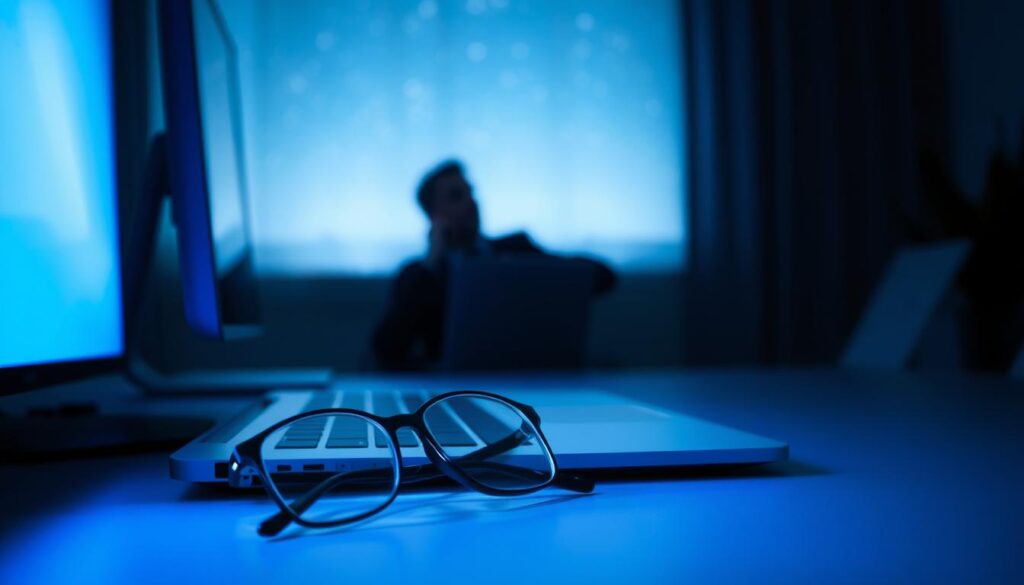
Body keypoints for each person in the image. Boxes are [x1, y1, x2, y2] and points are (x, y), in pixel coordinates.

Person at [371, 160, 616, 370]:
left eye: (471, 192)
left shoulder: (517, 249)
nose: (472, 202)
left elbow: (603, 277)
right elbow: (387, 349)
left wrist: (524, 269)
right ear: (434, 215)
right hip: (456, 389)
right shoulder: (418, 275)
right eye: (457, 196)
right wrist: (432, 261)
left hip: (536, 377)